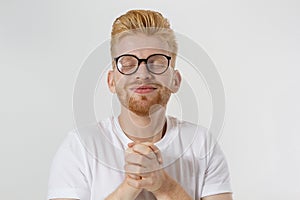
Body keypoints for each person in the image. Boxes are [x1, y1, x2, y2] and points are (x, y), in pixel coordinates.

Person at [47, 9, 233, 200]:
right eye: (128, 64)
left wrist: (163, 185)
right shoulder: (79, 146)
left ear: (175, 80)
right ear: (111, 81)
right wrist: (130, 185)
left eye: (157, 63)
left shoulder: (202, 144)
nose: (142, 74)